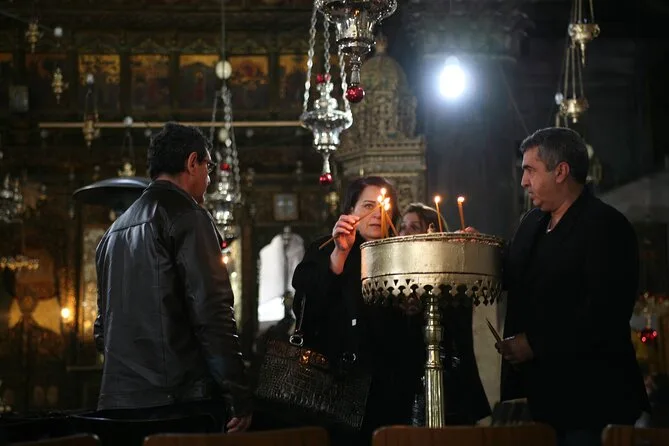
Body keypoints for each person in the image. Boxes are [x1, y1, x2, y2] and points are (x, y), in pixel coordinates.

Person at [94, 122, 252, 433]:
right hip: (178, 404)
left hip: (117, 405)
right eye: (208, 167)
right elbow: (212, 312)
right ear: (192, 162)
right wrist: (238, 394)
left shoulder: (111, 234)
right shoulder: (188, 216)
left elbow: (102, 331)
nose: (209, 179)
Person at [495, 127, 648, 445]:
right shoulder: (532, 223)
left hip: (590, 400)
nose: (523, 181)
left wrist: (534, 343)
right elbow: (507, 272)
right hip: (536, 401)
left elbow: (605, 314)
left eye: (530, 170)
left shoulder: (606, 226)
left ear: (561, 171)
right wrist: (472, 252)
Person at [291, 176, 423, 445]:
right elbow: (307, 307)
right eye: (368, 206)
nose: (377, 214)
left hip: (390, 384)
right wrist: (339, 255)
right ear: (350, 210)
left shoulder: (402, 253)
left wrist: (414, 309)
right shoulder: (325, 248)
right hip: (336, 384)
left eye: (384, 207)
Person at [399, 203, 491, 425]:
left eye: (414, 227)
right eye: (402, 226)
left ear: (433, 232)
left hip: (452, 383)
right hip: (409, 384)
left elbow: (456, 325)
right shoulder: (396, 278)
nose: (404, 233)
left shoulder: (454, 275)